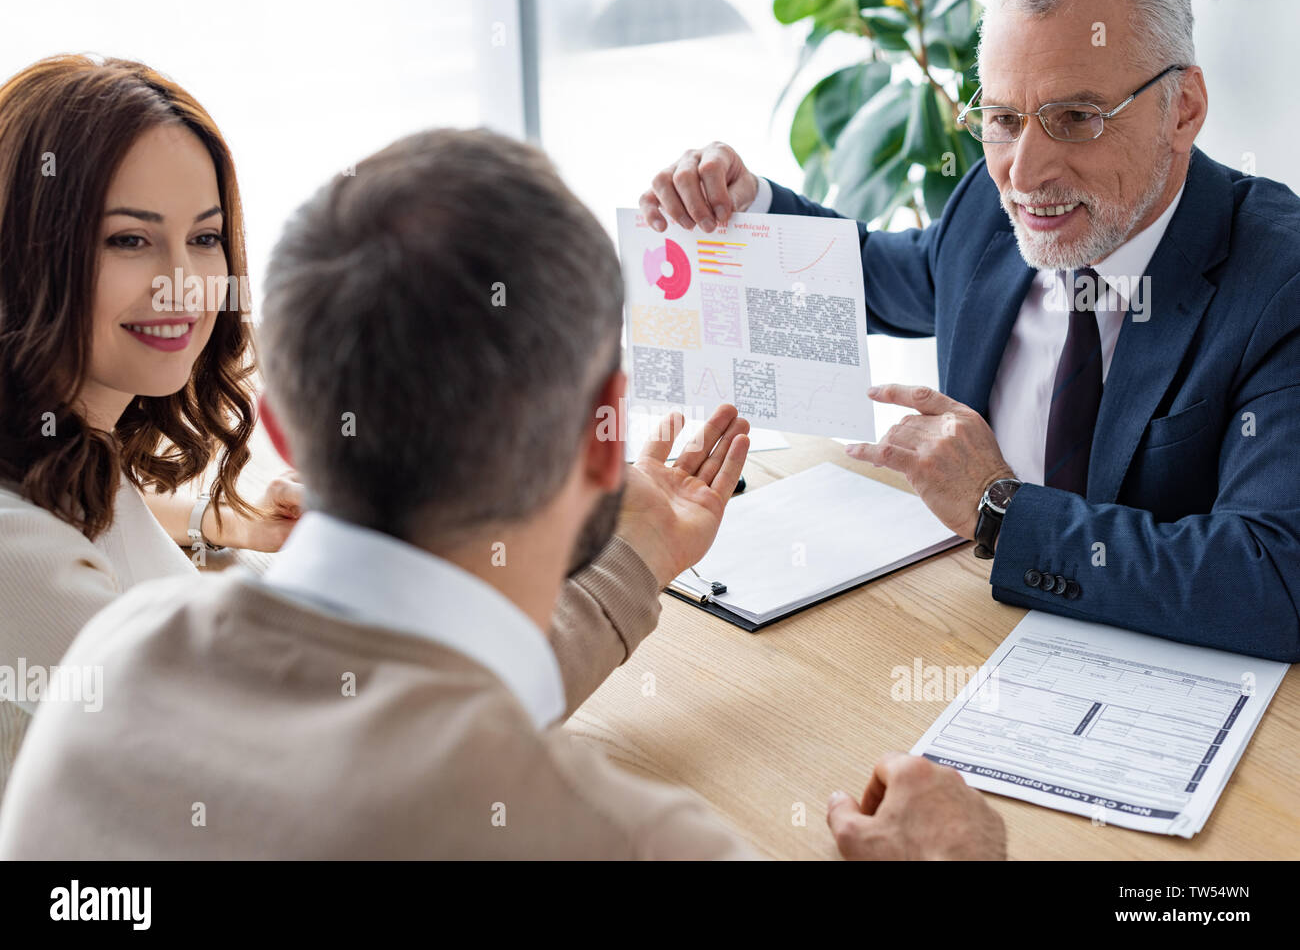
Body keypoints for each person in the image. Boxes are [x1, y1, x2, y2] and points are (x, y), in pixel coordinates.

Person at [0, 127, 1006, 859]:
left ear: (279, 431)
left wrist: (641, 551)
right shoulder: (630, 839)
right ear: (603, 437)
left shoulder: (115, 661)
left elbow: (413, 695)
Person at [638, 0, 1300, 662]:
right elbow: (872, 276)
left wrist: (998, 506)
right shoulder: (988, 209)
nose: (1023, 171)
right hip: (965, 639)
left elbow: (1274, 581)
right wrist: (753, 204)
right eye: (1002, 117)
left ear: (1182, 109)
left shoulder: (1281, 281)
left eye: (1076, 118)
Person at [0, 55, 312, 797]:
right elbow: (280, 756)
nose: (182, 283)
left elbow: (96, 522)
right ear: (21, 254)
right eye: (129, 240)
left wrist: (220, 515)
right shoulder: (18, 554)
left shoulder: (70, 453)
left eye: (205, 239)